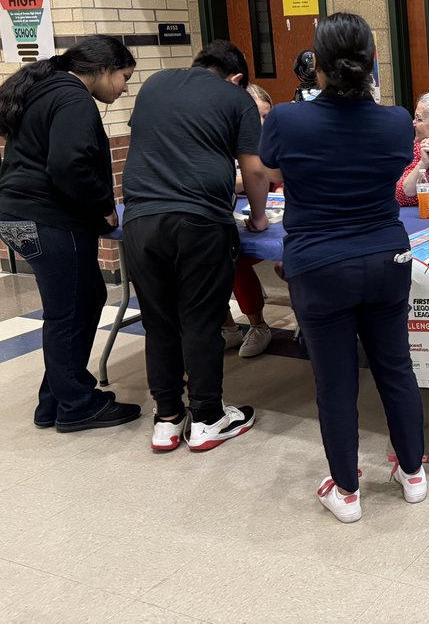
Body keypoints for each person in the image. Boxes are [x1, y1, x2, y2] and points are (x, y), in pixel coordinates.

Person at [260, 12, 426, 523]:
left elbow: (269, 168)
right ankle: (414, 474)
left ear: (317, 65)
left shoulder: (286, 119)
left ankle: (348, 493)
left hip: (319, 265)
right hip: (386, 258)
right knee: (395, 367)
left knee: (335, 381)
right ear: (373, 62)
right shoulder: (397, 121)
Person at [121, 40, 270, 453]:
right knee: (200, 319)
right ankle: (207, 418)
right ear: (237, 78)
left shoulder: (155, 84)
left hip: (140, 220)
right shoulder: (235, 98)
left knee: (159, 320)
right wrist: (258, 218)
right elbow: (254, 169)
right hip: (199, 221)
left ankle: (167, 419)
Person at [0, 36, 140, 432]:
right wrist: (104, 206)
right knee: (70, 309)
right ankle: (77, 405)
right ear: (103, 69)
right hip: (47, 217)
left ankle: (55, 400)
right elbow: (69, 165)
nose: (124, 88)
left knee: (82, 298)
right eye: (123, 78)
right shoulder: (74, 98)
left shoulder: (43, 89)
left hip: (15, 214)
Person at [222, 83, 275, 358]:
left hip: (275, 228)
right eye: (256, 116)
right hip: (236, 224)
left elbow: (270, 177)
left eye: (266, 116)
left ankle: (258, 325)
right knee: (222, 257)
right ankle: (230, 328)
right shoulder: (226, 141)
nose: (261, 123)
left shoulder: (275, 141)